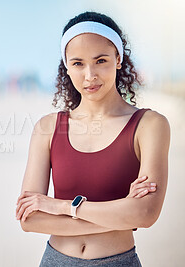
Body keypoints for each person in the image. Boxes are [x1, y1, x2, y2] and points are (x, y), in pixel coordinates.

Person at [15, 11, 170, 266]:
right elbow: (29, 219)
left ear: (118, 59)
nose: (90, 75)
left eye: (100, 60)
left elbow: (145, 213)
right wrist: (120, 214)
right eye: (78, 63)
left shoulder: (149, 125)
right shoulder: (47, 128)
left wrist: (62, 206)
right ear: (66, 66)